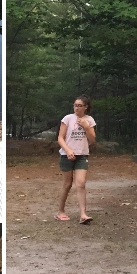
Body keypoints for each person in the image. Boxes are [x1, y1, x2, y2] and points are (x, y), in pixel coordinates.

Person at [57, 95, 96, 223]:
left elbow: (92, 140)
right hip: (66, 155)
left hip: (82, 155)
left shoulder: (89, 120)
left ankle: (83, 214)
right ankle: (60, 211)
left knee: (81, 183)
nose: (77, 108)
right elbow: (60, 138)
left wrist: (86, 126)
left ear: (86, 107)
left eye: (79, 106)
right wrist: (68, 150)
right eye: (75, 105)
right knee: (67, 184)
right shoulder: (68, 118)